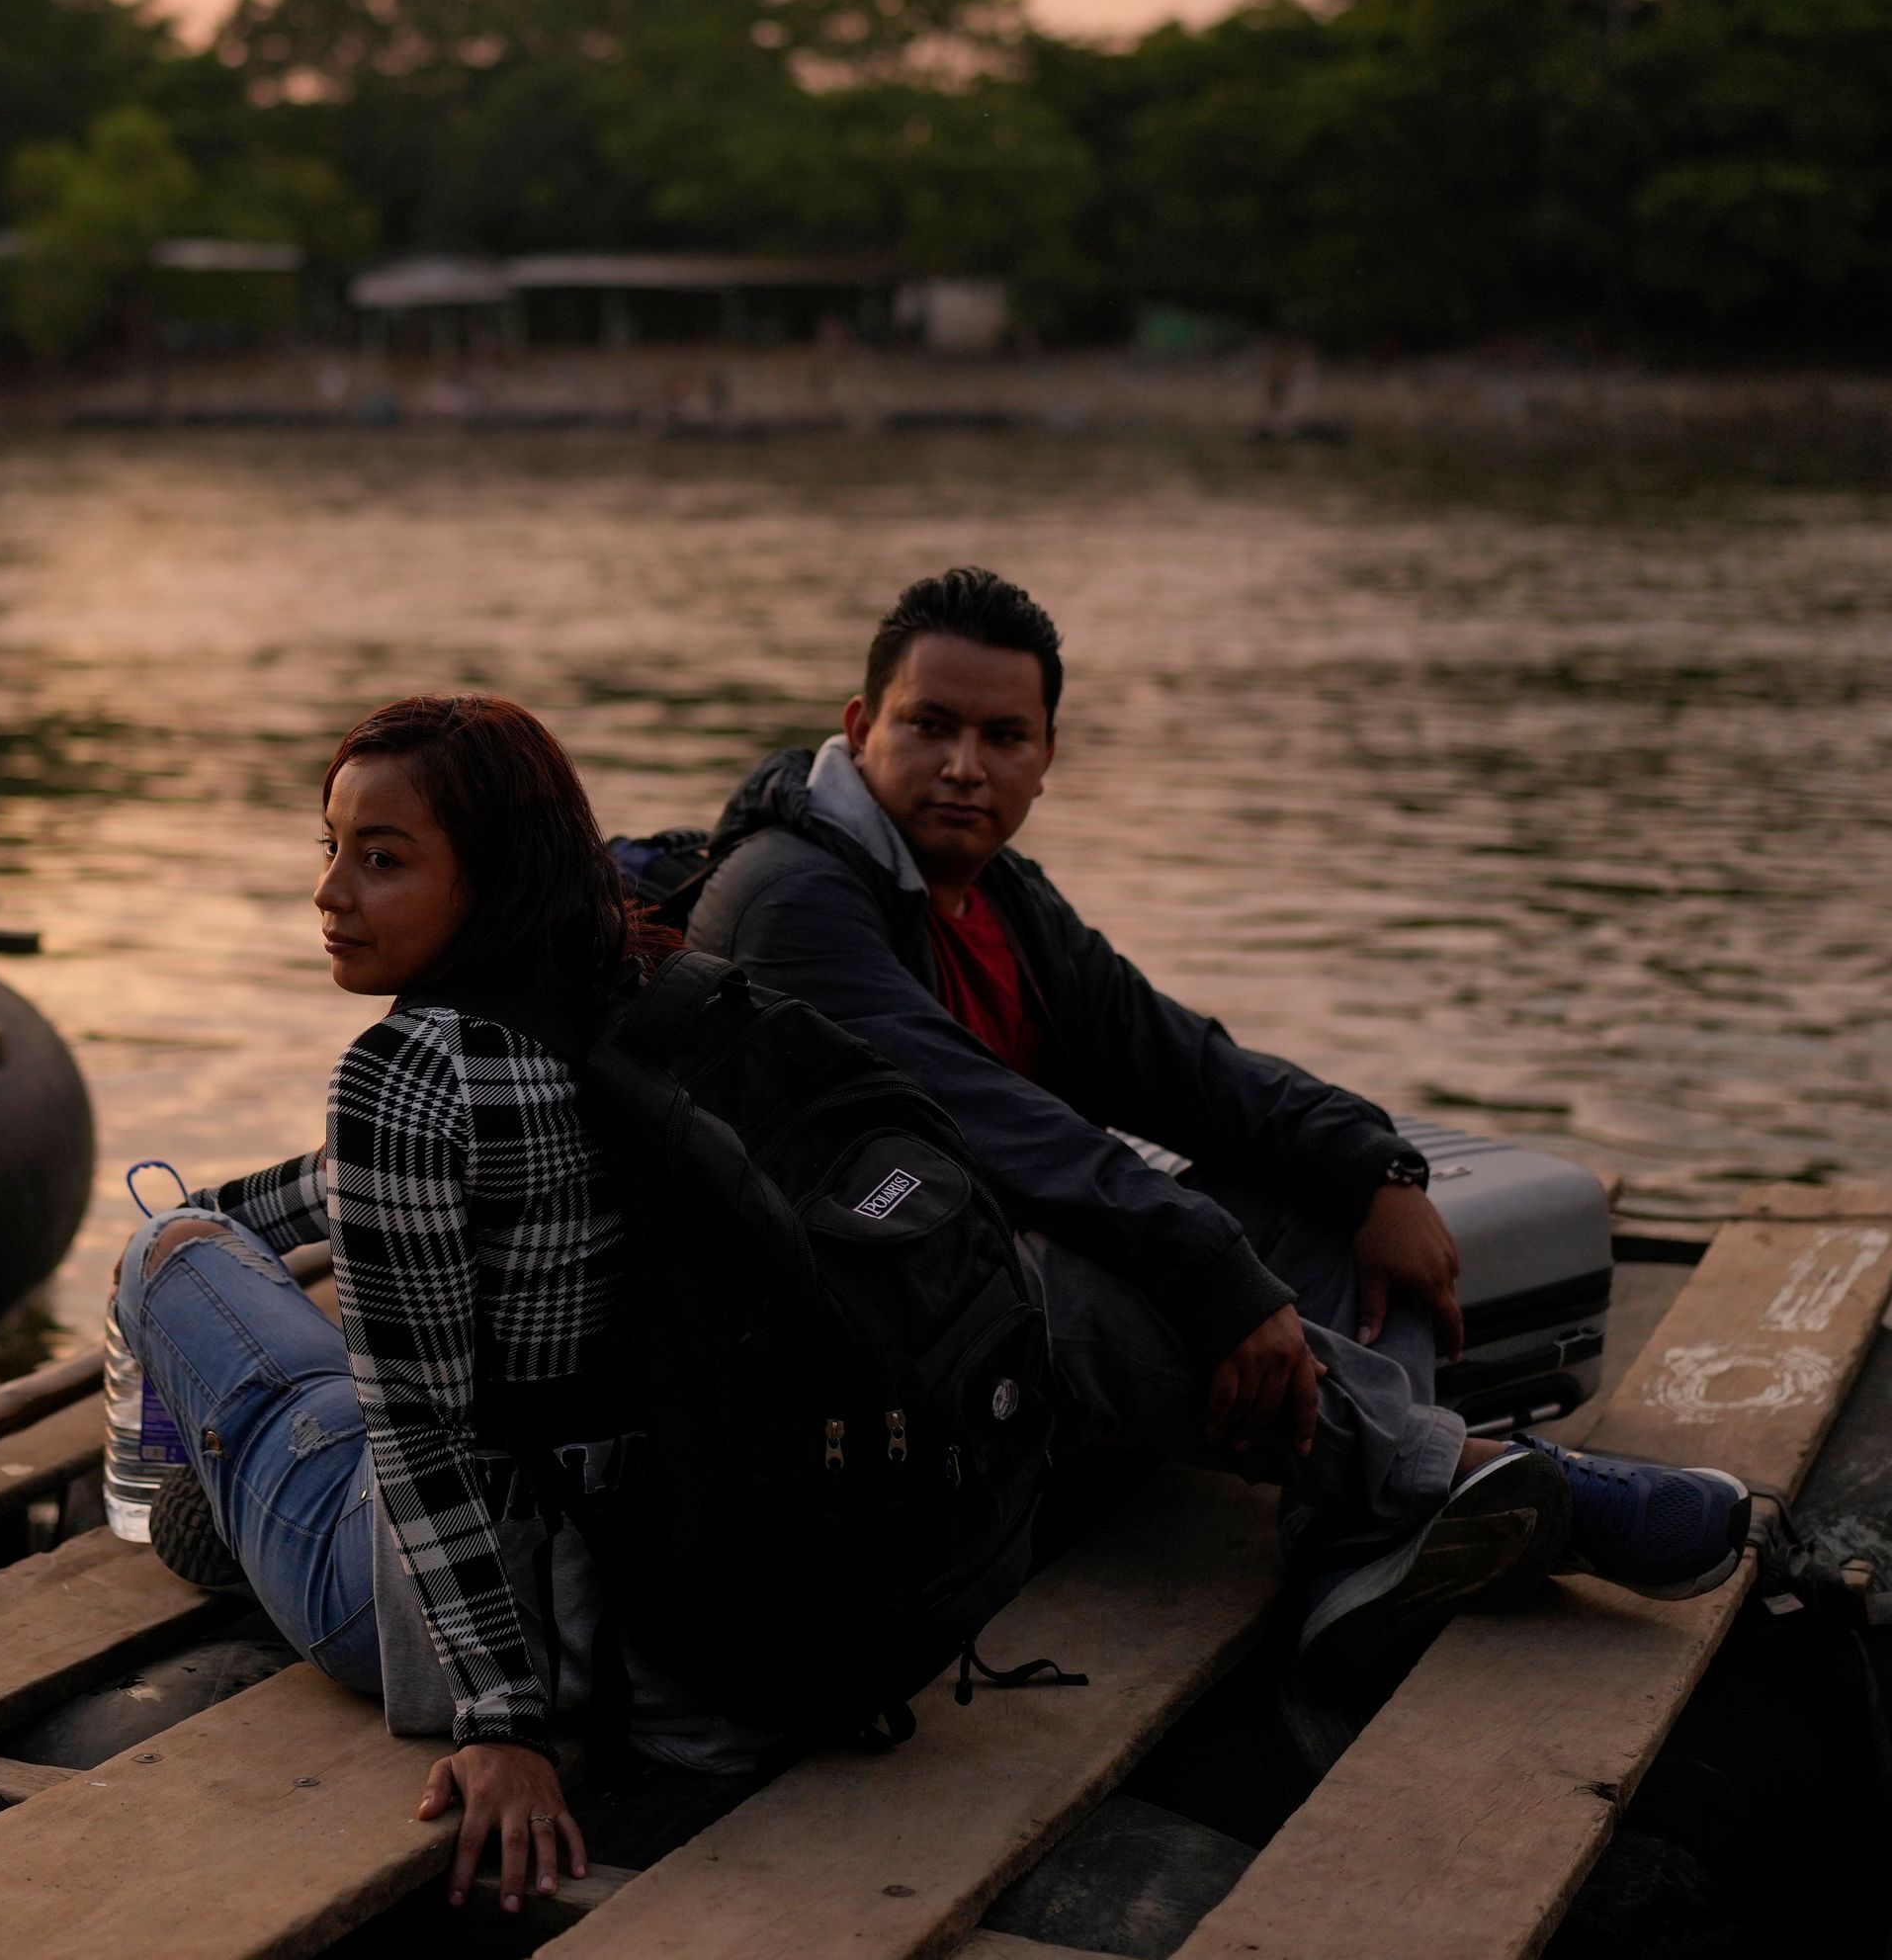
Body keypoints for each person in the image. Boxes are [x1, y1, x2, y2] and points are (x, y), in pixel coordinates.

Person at [685, 567, 1755, 1658]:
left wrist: (1372, 1167)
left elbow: (1182, 1063)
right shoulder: (788, 901)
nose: (965, 766)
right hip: (841, 1347)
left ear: (1047, 757)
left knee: (1326, 1209)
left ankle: (1364, 1526)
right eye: (930, 726)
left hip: (972, 1306)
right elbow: (986, 1123)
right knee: (1067, 1270)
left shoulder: (1001, 898)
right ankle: (1457, 1481)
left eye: (1004, 735)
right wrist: (1212, 1269)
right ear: (862, 726)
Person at [113, 693, 710, 1920]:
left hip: (434, 1620)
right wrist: (253, 1207)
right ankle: (224, 1497)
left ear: (491, 880)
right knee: (255, 1256)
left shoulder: (402, 1075)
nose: (331, 893)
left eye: (381, 860)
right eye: (328, 848)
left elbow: (421, 1433)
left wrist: (504, 1723)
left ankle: (178, 1499)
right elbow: (365, 1183)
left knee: (162, 1250)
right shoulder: (649, 997)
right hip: (653, 1588)